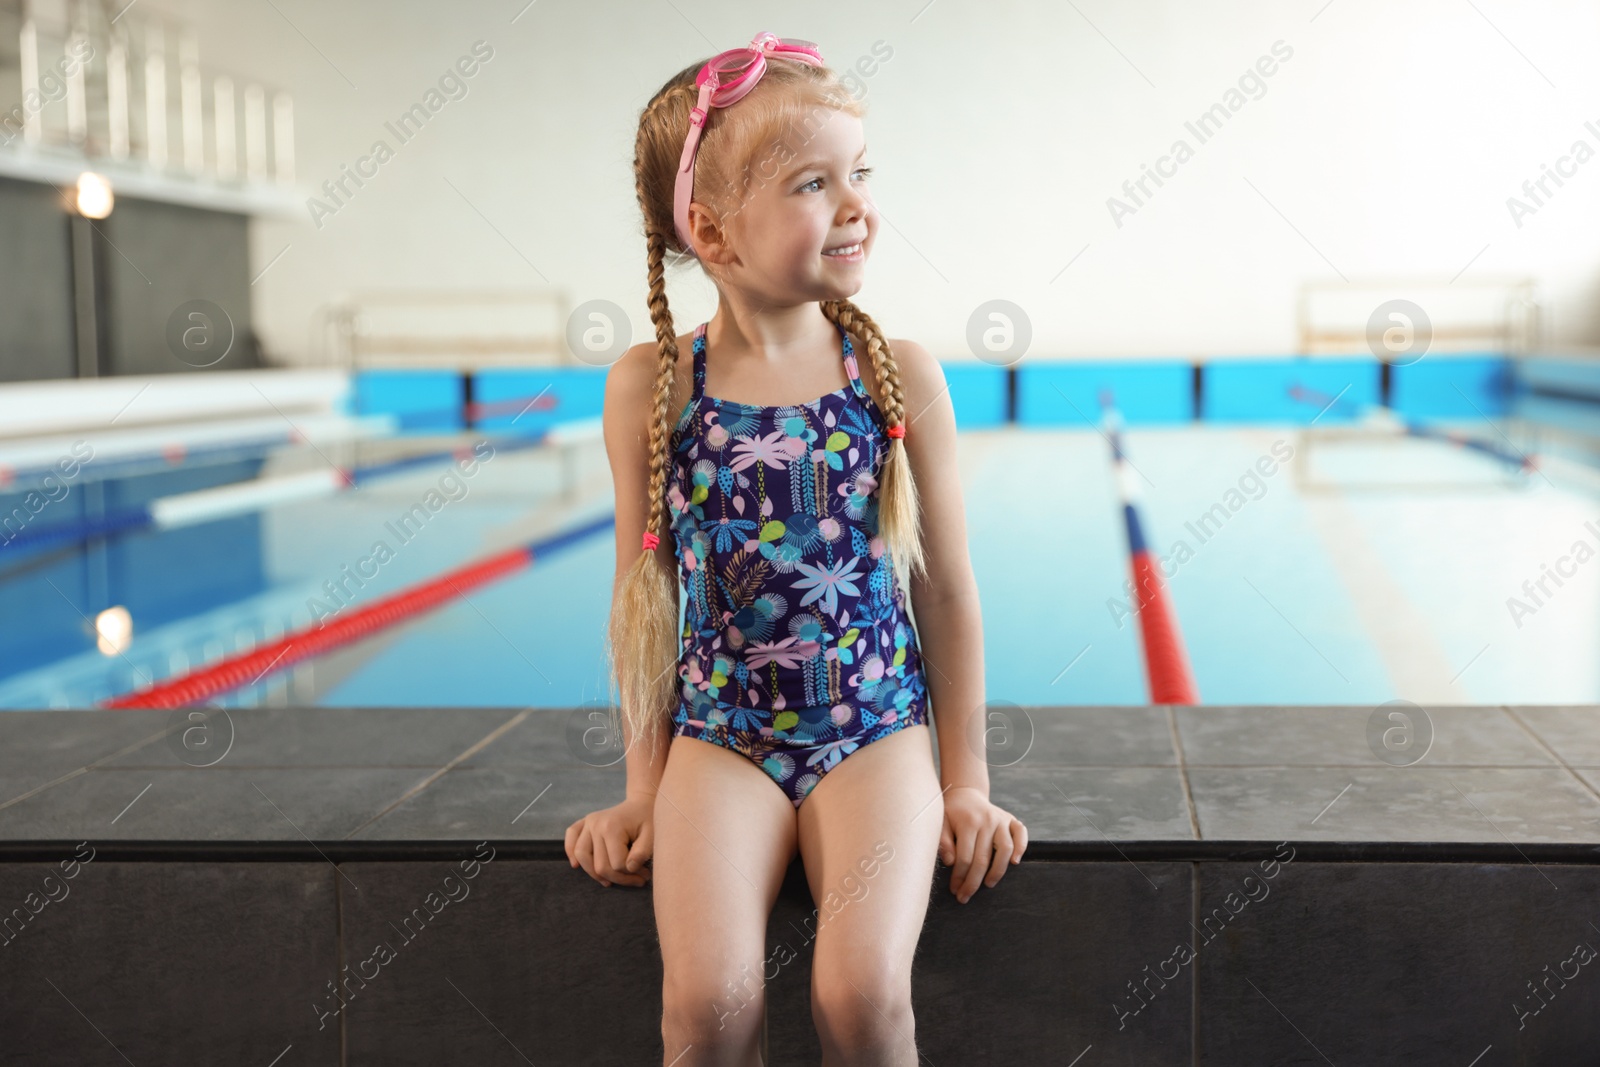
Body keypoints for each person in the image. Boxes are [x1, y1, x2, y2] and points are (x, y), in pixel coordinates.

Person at [564, 31, 1028, 1064]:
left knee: (861, 997)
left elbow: (945, 591)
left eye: (859, 172)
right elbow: (642, 597)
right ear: (713, 231)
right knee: (709, 1008)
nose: (857, 203)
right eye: (815, 182)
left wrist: (966, 777)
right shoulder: (657, 387)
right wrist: (643, 786)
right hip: (720, 738)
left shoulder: (893, 375)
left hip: (872, 730)